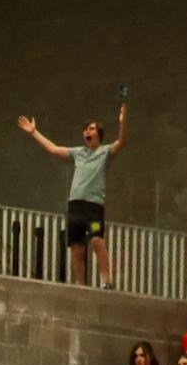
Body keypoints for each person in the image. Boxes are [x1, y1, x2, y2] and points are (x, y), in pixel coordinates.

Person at [15, 106, 127, 287]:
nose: (87, 132)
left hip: (94, 208)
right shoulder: (78, 153)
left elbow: (121, 142)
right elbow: (53, 148)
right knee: (76, 247)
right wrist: (34, 132)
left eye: (91, 129)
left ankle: (107, 281)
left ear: (99, 133)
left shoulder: (105, 152)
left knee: (97, 240)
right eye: (85, 129)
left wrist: (123, 122)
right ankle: (80, 285)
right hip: (75, 206)